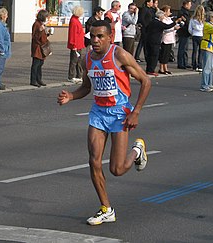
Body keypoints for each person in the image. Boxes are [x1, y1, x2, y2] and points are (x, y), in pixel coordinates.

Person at [57, 20, 151, 226]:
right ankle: (106, 208)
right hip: (98, 113)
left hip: (119, 114)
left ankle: (137, 150)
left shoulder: (120, 55)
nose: (96, 41)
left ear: (110, 36)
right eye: (92, 36)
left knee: (116, 169)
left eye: (100, 36)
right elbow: (86, 87)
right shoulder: (87, 58)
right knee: (94, 161)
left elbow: (146, 80)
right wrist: (71, 97)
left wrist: (136, 112)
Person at [145, 10, 180, 76]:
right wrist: (176, 22)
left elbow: (146, 28)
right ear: (160, 16)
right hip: (155, 41)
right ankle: (151, 70)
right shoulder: (158, 23)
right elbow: (167, 26)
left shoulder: (152, 21)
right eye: (163, 16)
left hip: (149, 40)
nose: (164, 17)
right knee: (154, 56)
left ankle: (148, 69)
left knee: (150, 55)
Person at [199, 11, 213, 92]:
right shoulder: (207, 25)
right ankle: (204, 85)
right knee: (206, 67)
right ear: (209, 18)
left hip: (210, 47)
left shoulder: (211, 25)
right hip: (206, 47)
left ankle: (209, 84)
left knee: (210, 67)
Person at [30, 9, 51, 88]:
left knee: (40, 63)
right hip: (37, 47)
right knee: (36, 64)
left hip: (42, 47)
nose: (47, 18)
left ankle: (39, 79)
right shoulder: (36, 24)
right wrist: (40, 31)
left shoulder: (41, 24)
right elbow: (35, 37)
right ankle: (33, 80)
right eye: (46, 16)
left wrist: (47, 33)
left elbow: (42, 36)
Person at [158, 5, 180, 75]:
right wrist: (173, 28)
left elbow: (172, 26)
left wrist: (176, 28)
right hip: (165, 39)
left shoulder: (169, 19)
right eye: (168, 11)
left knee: (167, 54)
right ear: (164, 12)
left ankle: (166, 68)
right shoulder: (163, 20)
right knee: (163, 54)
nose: (170, 12)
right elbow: (165, 29)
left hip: (170, 38)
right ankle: (161, 68)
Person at [67, 5, 85, 83]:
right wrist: (73, 45)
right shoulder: (74, 21)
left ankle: (79, 75)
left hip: (79, 44)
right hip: (76, 44)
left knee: (79, 61)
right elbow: (73, 34)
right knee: (74, 61)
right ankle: (71, 76)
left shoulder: (75, 20)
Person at [188, 5, 205, 72]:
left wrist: (192, 33)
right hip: (201, 36)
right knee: (201, 52)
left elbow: (190, 29)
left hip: (194, 35)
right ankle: (200, 66)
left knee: (194, 51)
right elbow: (204, 29)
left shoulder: (192, 19)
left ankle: (194, 65)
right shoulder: (203, 19)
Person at [176, 0, 192, 69]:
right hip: (183, 32)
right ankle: (181, 63)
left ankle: (185, 62)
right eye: (189, 4)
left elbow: (188, 21)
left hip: (186, 33)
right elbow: (185, 22)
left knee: (185, 49)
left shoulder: (187, 12)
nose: (190, 6)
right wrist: (186, 21)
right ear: (186, 5)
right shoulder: (182, 12)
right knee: (182, 48)